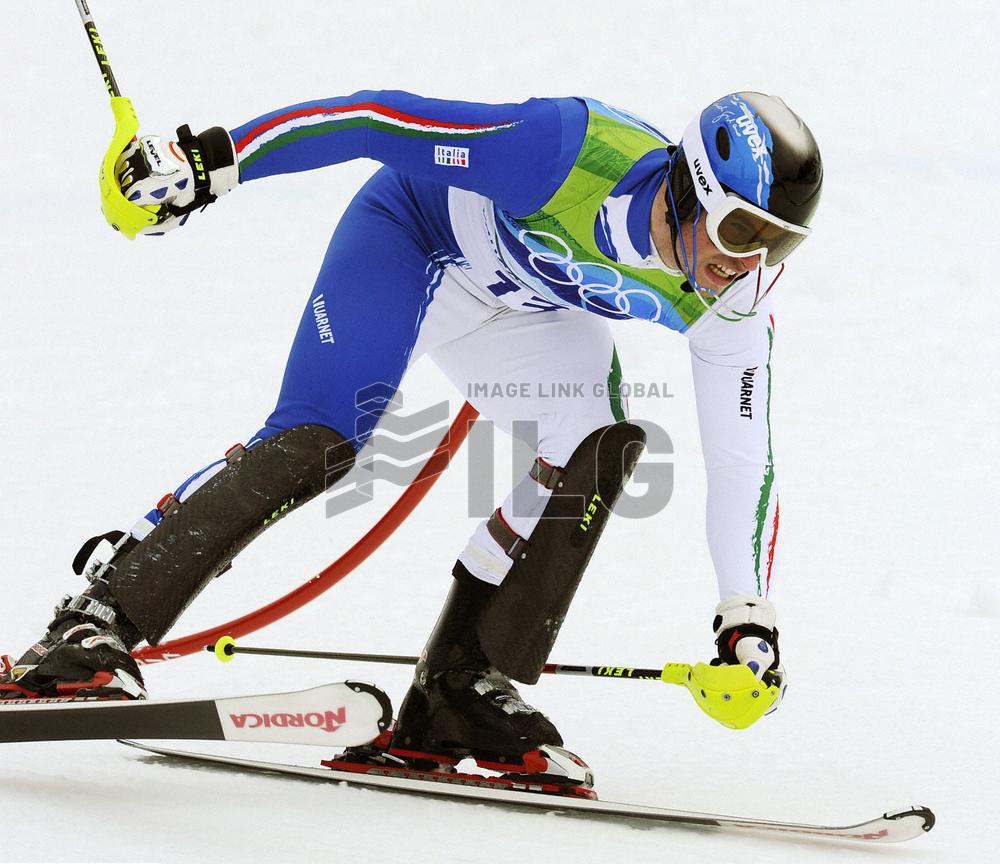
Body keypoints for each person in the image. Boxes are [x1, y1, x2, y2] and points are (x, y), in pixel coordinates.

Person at [0, 90, 821, 786]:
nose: (749, 262)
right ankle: (95, 619)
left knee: (599, 446)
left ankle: (459, 685)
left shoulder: (737, 298)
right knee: (322, 437)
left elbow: (744, 453)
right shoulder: (561, 150)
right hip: (413, 241)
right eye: (743, 232)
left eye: (777, 244)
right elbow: (372, 118)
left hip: (523, 311)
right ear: (687, 190)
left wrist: (745, 613)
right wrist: (212, 160)